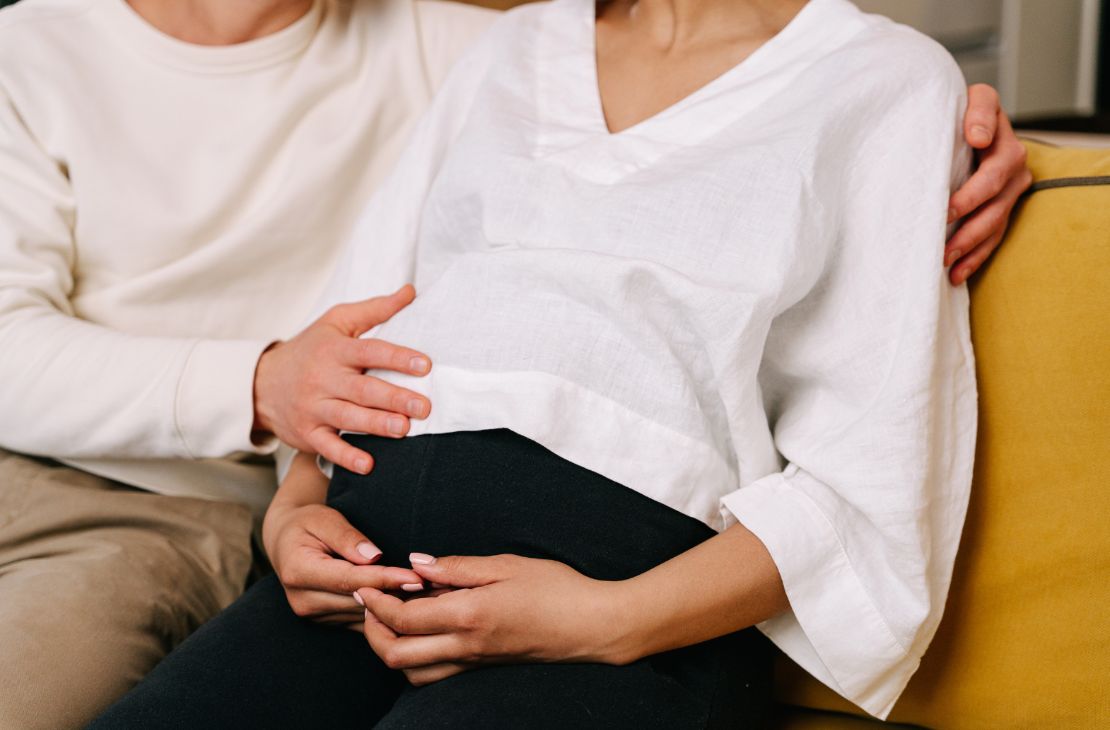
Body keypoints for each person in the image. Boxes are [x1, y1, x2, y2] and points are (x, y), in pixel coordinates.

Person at [0, 0, 1026, 727]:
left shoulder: (884, 81)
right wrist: (290, 512)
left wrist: (608, 620)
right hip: (351, 587)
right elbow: (348, 340)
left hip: (617, 605)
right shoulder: (511, 46)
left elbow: (871, 484)